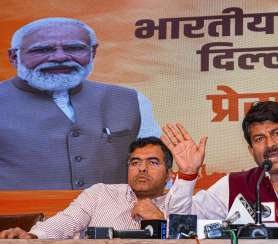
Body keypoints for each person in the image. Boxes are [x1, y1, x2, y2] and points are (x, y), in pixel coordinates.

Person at [0, 17, 160, 189]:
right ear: (13, 57)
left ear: (93, 52)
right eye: (42, 50)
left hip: (111, 215)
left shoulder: (130, 99)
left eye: (74, 48)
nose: (60, 57)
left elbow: (154, 169)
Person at [0, 137, 172, 239]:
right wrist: (33, 236)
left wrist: (159, 220)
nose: (142, 168)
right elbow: (66, 222)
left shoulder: (181, 204)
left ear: (169, 174)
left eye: (153, 162)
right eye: (135, 162)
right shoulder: (101, 193)